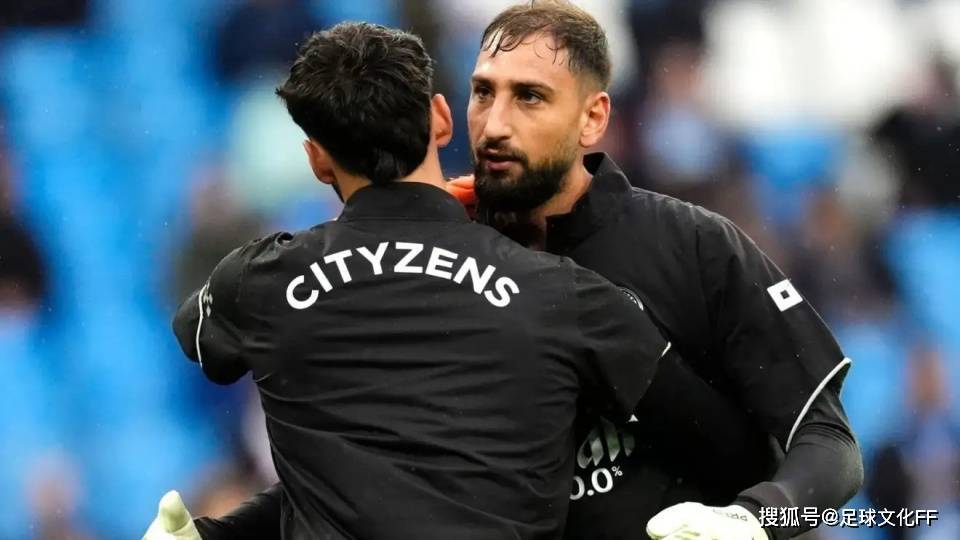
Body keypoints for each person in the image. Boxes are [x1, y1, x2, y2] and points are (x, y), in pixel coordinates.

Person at [153, 2, 863, 539]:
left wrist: (757, 517)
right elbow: (379, 472)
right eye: (483, 91)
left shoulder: (694, 246)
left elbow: (829, 447)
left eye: (529, 97)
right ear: (446, 112)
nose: (494, 124)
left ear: (593, 119)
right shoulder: (436, 258)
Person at [145, 21, 669, 540]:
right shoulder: (559, 291)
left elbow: (197, 335)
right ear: (441, 119)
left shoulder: (262, 282)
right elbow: (697, 427)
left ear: (317, 160)